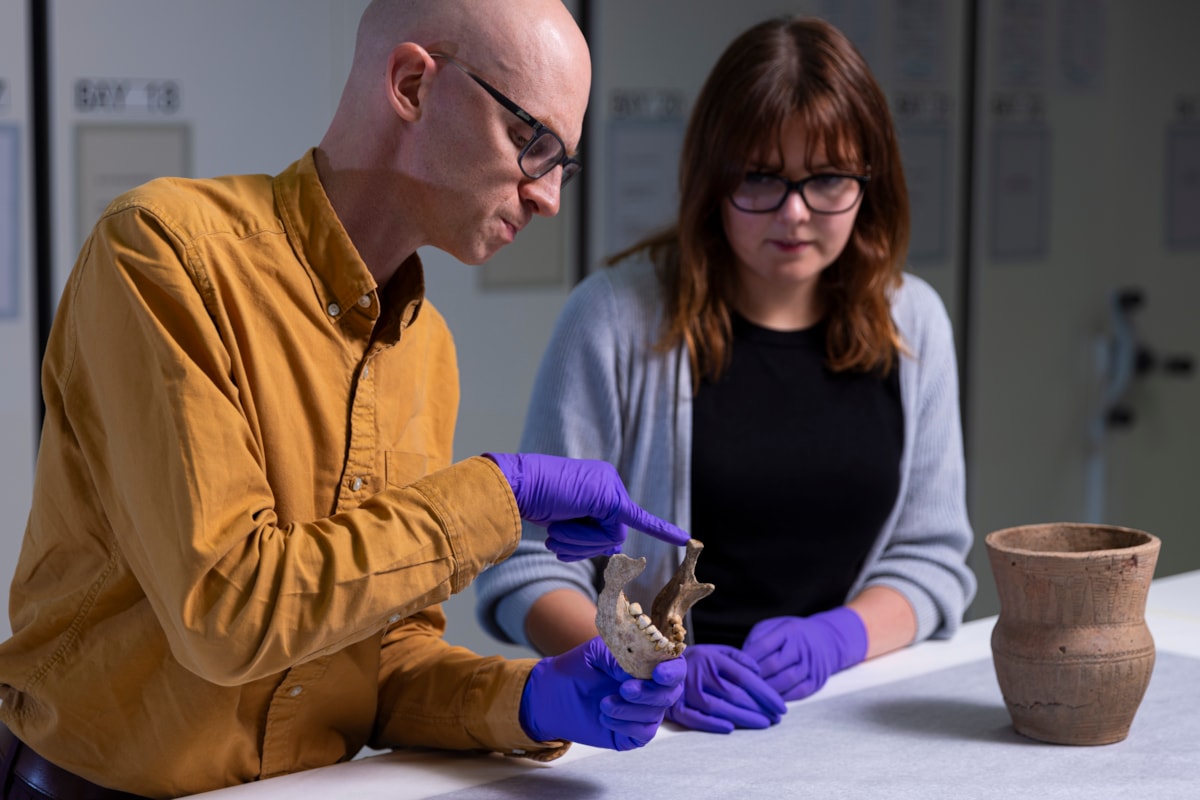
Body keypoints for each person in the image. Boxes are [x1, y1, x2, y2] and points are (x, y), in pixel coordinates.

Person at [0, 2, 692, 798]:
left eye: (562, 164)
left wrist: (532, 701)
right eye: (530, 143)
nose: (547, 199)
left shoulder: (427, 350)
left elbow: (380, 662)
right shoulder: (165, 254)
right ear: (410, 85)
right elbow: (232, 610)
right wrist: (496, 493)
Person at [475, 15, 977, 734]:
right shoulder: (615, 317)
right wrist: (640, 663)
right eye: (761, 177)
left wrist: (839, 639)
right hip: (656, 727)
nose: (795, 213)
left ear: (871, 181)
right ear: (713, 179)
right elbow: (526, 566)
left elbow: (931, 561)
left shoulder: (915, 323)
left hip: (847, 715)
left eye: (828, 178)